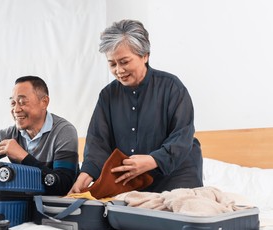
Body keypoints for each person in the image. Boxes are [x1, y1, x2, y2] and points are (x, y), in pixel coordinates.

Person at [69, 19, 203, 194]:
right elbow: (98, 143)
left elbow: (182, 136)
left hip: (177, 176)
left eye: (124, 62)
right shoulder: (108, 96)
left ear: (145, 55)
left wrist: (153, 160)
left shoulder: (172, 87)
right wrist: (84, 176)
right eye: (112, 63)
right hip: (132, 182)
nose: (118, 70)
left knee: (176, 210)